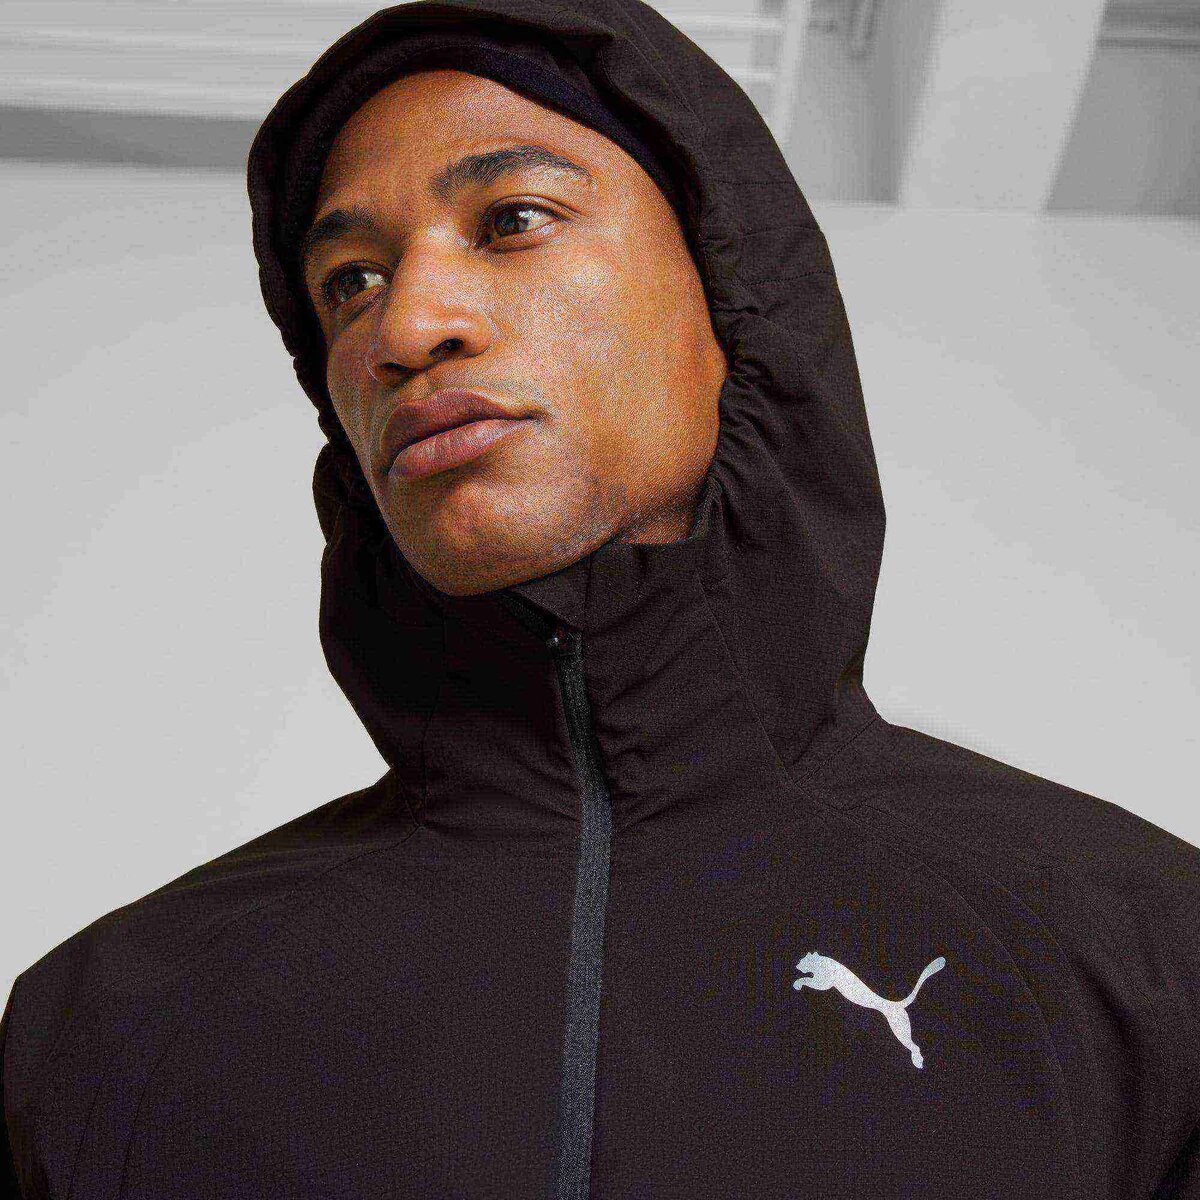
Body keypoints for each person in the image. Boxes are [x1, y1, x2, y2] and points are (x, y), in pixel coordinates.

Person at [2, 1, 1198, 1196]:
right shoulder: (95, 1036)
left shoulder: (1150, 960)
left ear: (734, 302)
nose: (405, 326)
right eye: (350, 281)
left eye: (514, 219)